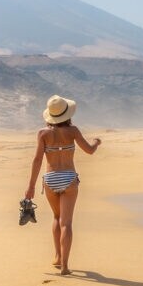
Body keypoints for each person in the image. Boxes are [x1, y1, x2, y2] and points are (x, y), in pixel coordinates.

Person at [25, 95, 101, 275]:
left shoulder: (42, 133)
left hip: (50, 179)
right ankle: (65, 266)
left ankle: (58, 257)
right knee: (66, 223)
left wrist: (31, 186)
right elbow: (89, 151)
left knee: (56, 218)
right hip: (68, 178)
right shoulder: (73, 131)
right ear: (67, 115)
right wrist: (96, 143)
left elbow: (37, 160)